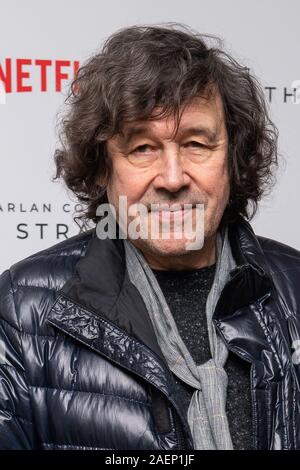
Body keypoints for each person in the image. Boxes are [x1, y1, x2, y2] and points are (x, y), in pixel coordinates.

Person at [1, 23, 300, 451]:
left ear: (231, 159)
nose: (173, 178)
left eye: (197, 144)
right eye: (142, 149)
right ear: (103, 167)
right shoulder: (20, 308)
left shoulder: (295, 286)